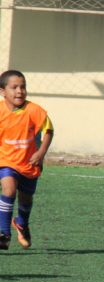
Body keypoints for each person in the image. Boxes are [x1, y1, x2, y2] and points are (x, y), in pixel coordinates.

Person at [0, 70, 53, 250]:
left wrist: (41, 153)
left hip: (29, 163)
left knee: (26, 198)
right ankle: (4, 233)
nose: (20, 91)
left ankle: (22, 222)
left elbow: (49, 130)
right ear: (2, 91)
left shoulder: (34, 110)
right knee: (9, 189)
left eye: (23, 87)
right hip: (6, 161)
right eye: (14, 87)